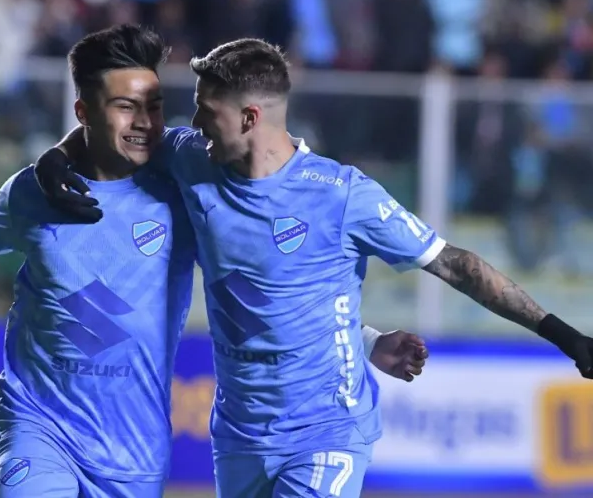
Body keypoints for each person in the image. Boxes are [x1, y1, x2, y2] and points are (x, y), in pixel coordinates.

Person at [0, 25, 428, 497]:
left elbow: (267, 288)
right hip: (38, 423)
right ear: (83, 111)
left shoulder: (185, 184)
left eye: (154, 107)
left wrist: (365, 339)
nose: (145, 123)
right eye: (125, 107)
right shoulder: (34, 191)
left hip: (132, 450)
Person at [34, 37, 593, 498]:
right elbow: (119, 133)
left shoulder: (341, 195)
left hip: (326, 431)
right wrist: (56, 157)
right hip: (240, 434)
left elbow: (458, 266)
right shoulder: (190, 158)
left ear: (249, 117)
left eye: (207, 109)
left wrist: (565, 336)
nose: (195, 120)